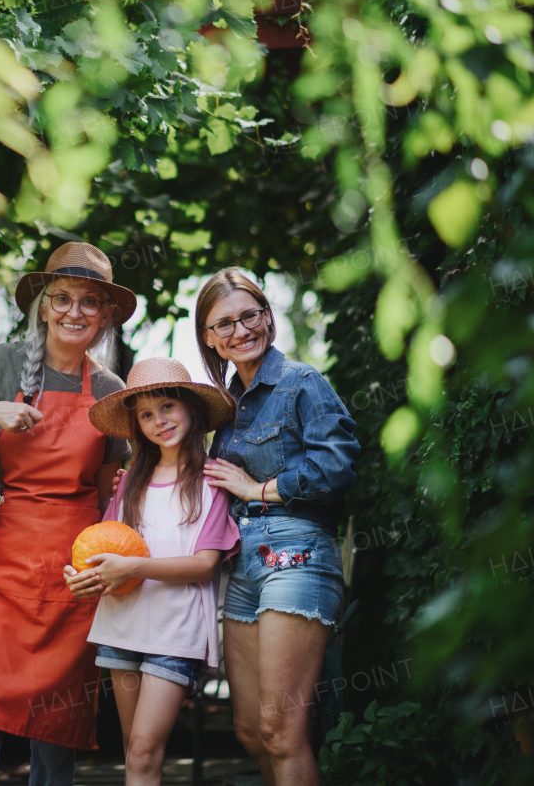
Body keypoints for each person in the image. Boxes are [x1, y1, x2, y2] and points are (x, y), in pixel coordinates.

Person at [0, 242, 138, 786]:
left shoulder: (110, 391)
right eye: (63, 298)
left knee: (55, 728)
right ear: (44, 307)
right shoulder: (4, 363)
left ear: (106, 315)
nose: (75, 312)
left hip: (69, 577)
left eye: (90, 302)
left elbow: (105, 502)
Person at [195, 269, 360, 786]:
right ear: (208, 337)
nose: (241, 331)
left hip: (298, 555)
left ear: (268, 317)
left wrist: (258, 489)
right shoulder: (221, 408)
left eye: (250, 316)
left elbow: (338, 465)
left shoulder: (302, 383)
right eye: (225, 323)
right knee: (249, 730)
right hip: (242, 567)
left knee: (281, 730)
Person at [65, 357, 241, 786]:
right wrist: (85, 579)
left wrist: (133, 566)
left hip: (175, 631)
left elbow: (203, 565)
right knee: (134, 752)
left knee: (144, 750)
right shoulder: (129, 482)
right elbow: (105, 549)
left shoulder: (212, 479)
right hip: (122, 624)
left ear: (191, 409)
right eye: (146, 414)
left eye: (167, 407)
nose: (158, 420)